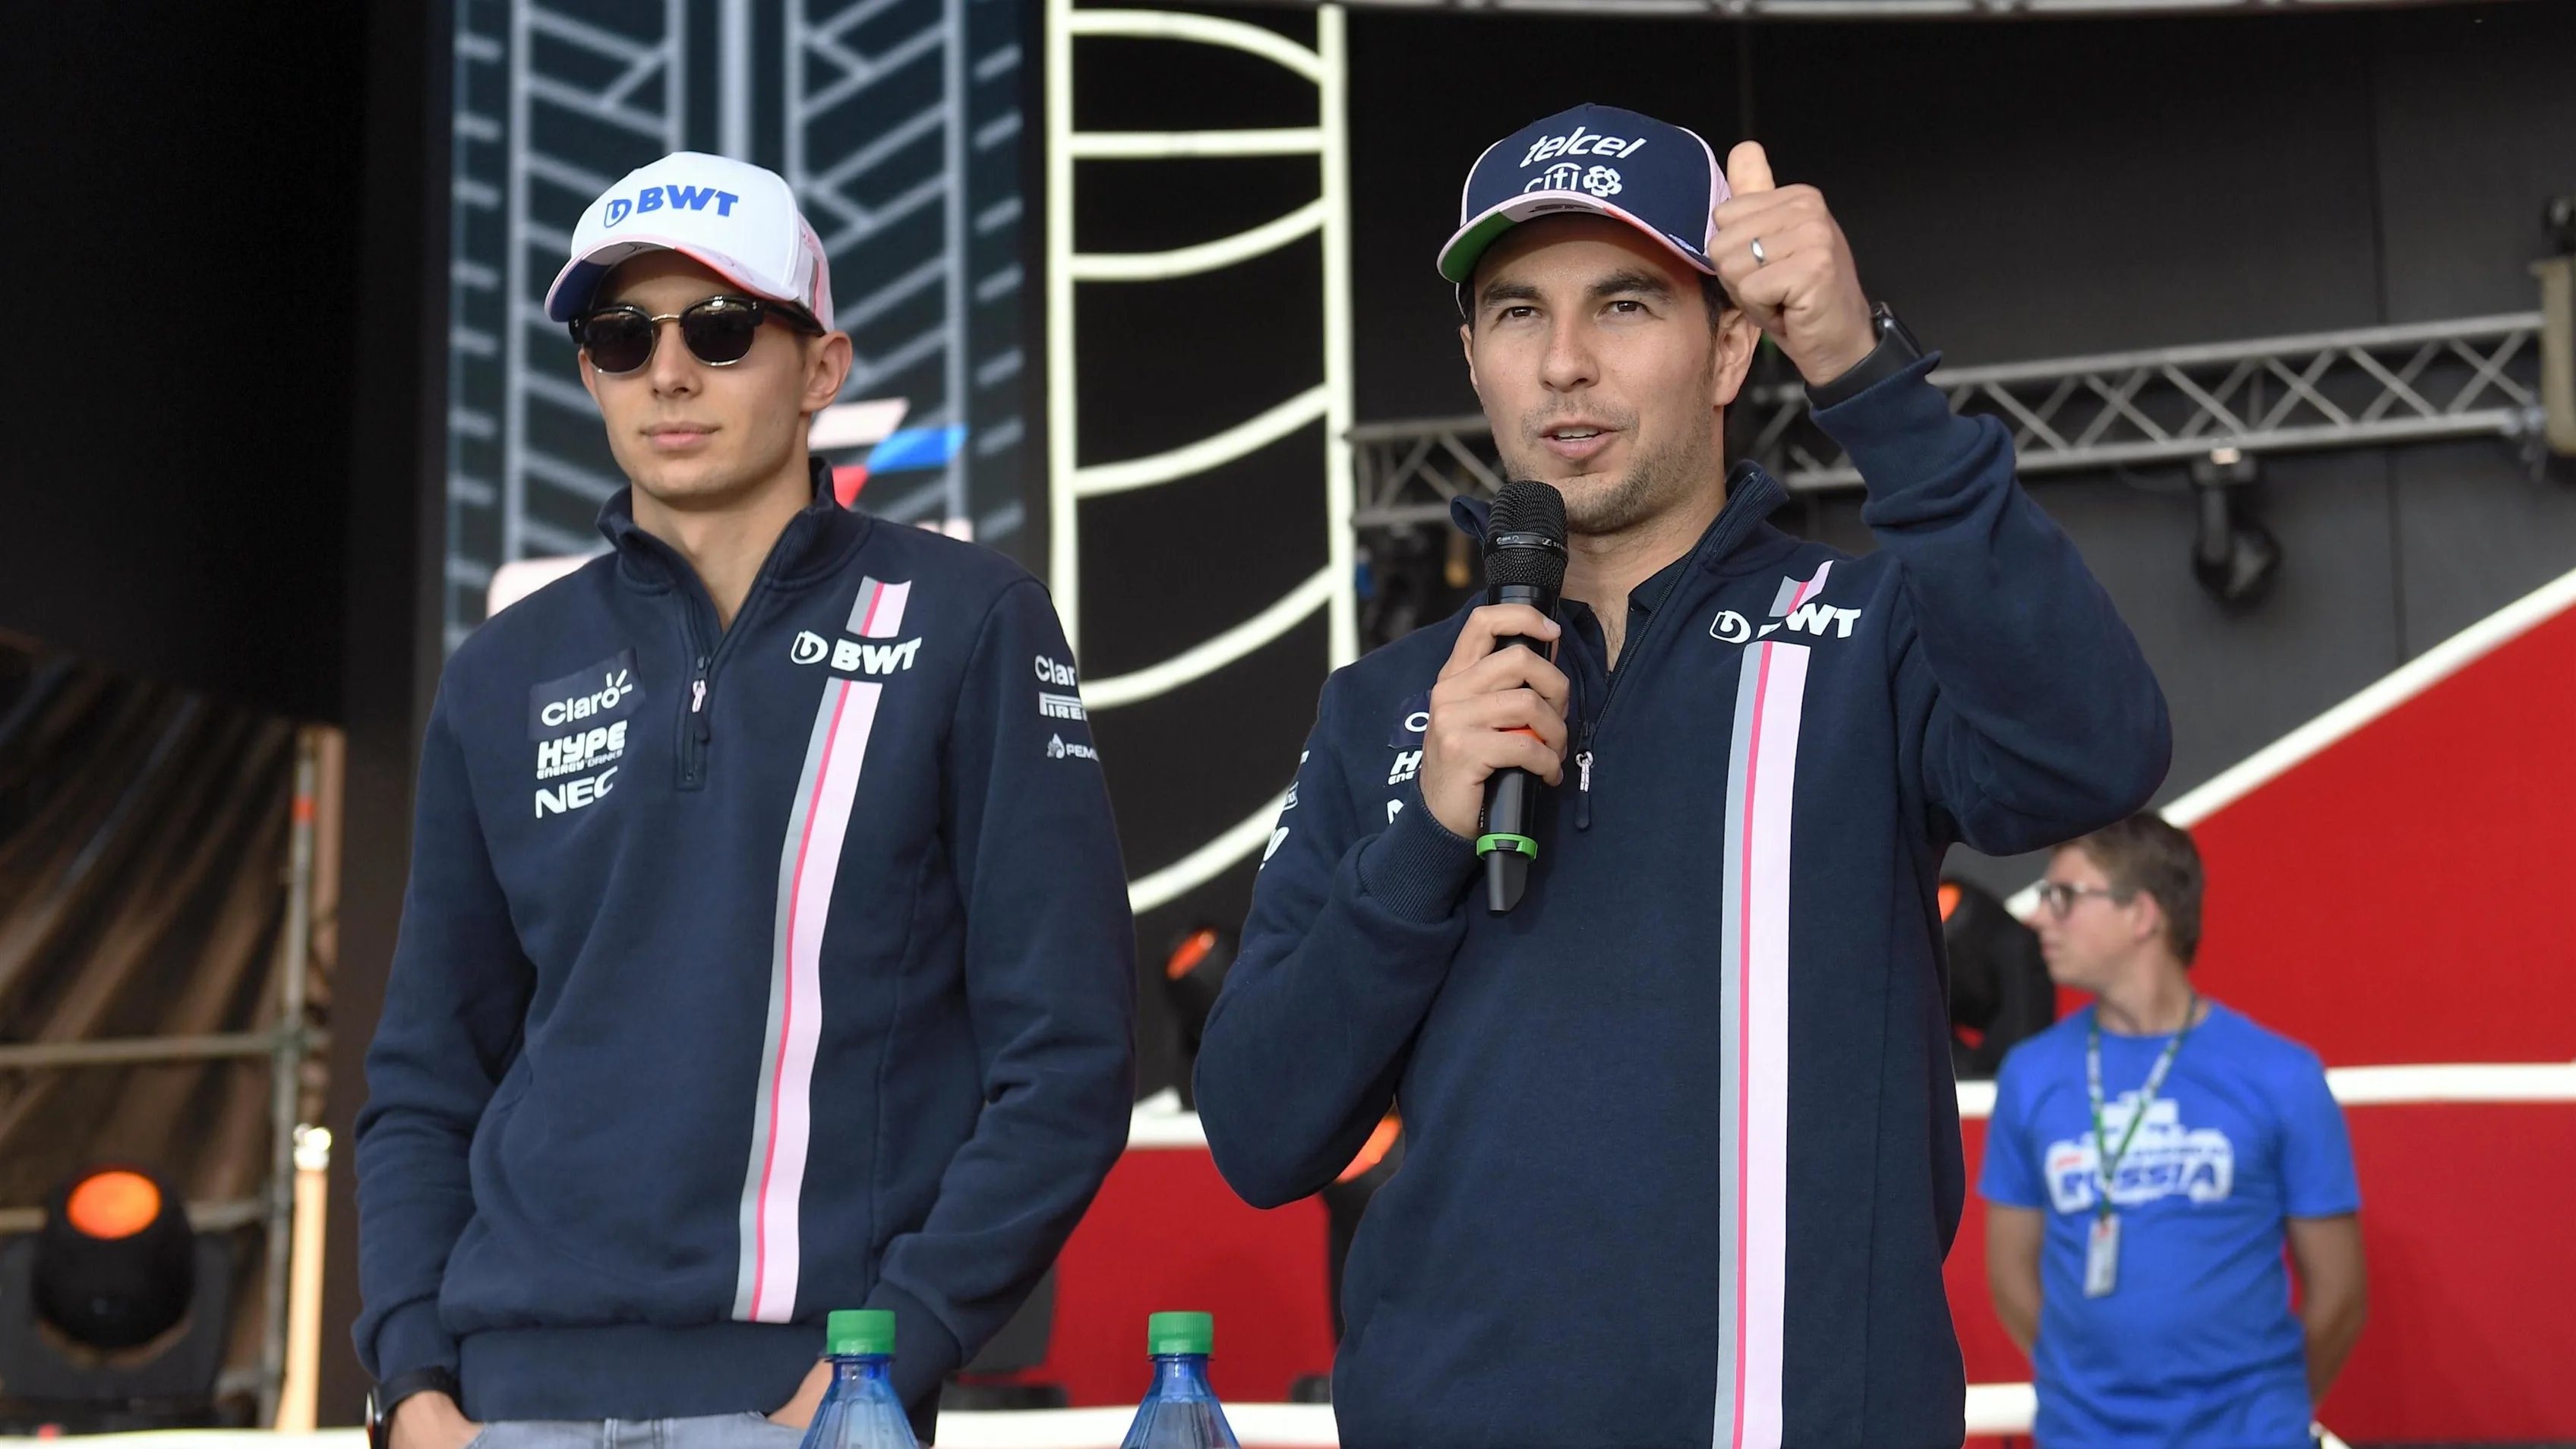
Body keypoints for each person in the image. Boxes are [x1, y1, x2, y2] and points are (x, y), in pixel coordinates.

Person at [1192, 102, 2170, 1447]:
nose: (1566, 364)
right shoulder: (1388, 707)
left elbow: (2095, 749)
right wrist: (1423, 837)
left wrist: (1862, 374)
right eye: (1518, 313)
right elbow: (1255, 1127)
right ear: (1473, 358)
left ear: (1726, 349)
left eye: (1627, 305)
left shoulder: (1866, 634)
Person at [352, 152, 1135, 1449]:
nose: (668, 372)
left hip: (809, 1394)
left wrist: (878, 1366)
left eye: (720, 330)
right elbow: (427, 1075)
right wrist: (416, 1386)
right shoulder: (504, 667)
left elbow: (1067, 1054)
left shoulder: (963, 617)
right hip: (501, 1401)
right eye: (620, 336)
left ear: (821, 369)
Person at [1983, 815, 2367, 1447]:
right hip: (2083, 1435)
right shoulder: (2030, 1075)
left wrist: (2267, 1411)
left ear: (2142, 915)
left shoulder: (2282, 1075)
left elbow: (2341, 1293)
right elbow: (2009, 1275)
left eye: (2064, 897)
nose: (2039, 918)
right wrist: (2084, 1384)